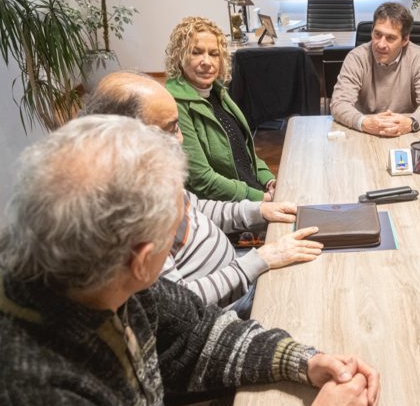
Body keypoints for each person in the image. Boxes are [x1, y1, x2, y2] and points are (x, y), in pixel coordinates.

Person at [0, 115, 379, 406]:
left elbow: (198, 332)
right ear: (140, 260)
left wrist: (302, 360)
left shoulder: (96, 273)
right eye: (178, 222)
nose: (188, 220)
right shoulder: (29, 396)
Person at [81, 71, 323, 318]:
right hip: (224, 315)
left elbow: (195, 208)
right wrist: (258, 261)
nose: (181, 138)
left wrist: (257, 211)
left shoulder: (148, 175)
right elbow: (178, 307)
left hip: (242, 276)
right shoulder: (126, 216)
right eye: (171, 129)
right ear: (127, 139)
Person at [165, 16, 275, 202]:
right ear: (179, 56)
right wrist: (260, 198)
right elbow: (201, 179)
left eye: (214, 54)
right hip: (222, 209)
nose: (207, 61)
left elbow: (243, 151)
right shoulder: (174, 104)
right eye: (196, 52)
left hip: (249, 195)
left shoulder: (216, 91)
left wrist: (268, 178)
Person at [330, 2, 420, 137]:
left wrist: (411, 122)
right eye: (377, 34)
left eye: (390, 38)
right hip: (365, 133)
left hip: (405, 132)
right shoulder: (356, 57)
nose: (381, 44)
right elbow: (339, 103)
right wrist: (364, 122)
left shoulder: (419, 57)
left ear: (405, 40)